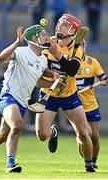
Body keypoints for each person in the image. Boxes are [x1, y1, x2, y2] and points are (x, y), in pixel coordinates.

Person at [0, 24, 59, 173]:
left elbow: (37, 80)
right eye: (42, 35)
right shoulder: (21, 51)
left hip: (22, 102)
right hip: (8, 96)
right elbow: (1, 58)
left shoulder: (43, 60)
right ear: (33, 39)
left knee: (2, 134)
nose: (45, 37)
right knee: (18, 125)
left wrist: (54, 79)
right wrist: (16, 43)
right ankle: (10, 164)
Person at [35, 13, 95, 172]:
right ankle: (53, 132)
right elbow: (38, 69)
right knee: (41, 134)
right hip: (49, 95)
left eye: (63, 24)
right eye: (60, 23)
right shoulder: (48, 44)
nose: (59, 26)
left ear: (72, 29)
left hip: (69, 96)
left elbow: (73, 70)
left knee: (83, 132)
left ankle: (89, 165)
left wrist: (57, 54)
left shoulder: (77, 46)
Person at [76, 40, 108, 169]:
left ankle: (93, 161)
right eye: (76, 46)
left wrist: (104, 81)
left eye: (81, 45)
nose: (79, 48)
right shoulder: (68, 63)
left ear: (85, 46)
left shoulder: (92, 62)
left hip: (91, 105)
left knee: (94, 136)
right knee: (84, 134)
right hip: (75, 106)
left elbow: (103, 77)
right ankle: (87, 159)